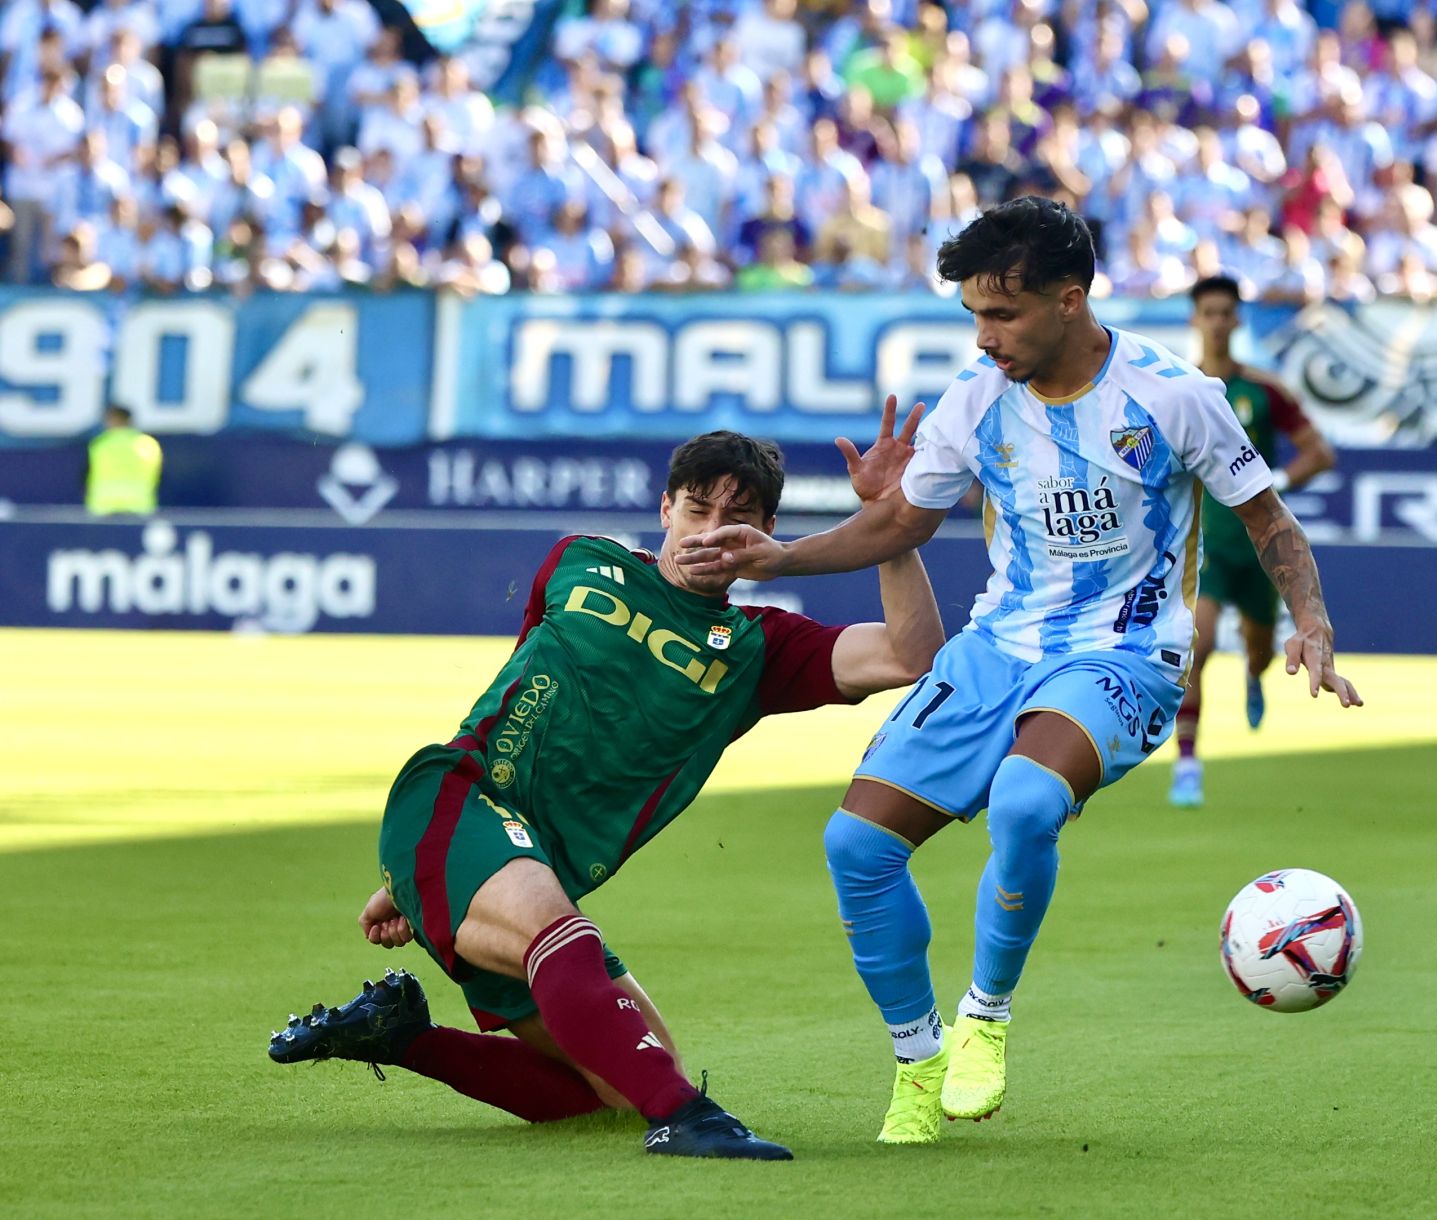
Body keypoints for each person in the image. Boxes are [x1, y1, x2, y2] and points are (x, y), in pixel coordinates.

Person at [677, 198, 1362, 1145]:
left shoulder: (1175, 397)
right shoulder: (974, 399)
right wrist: (777, 557)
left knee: (1027, 802)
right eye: (973, 316)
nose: (984, 336)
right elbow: (900, 525)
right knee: (855, 848)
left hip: (1125, 651)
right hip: (999, 645)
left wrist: (1314, 619)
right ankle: (919, 1064)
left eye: (1002, 315)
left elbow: (1268, 520)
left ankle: (985, 1021)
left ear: (1070, 301)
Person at [268, 424, 943, 1159]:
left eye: (737, 517)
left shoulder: (760, 649)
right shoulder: (581, 559)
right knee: (578, 960)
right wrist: (416, 876)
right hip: (454, 801)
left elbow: (912, 653)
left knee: (618, 1083)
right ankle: (691, 1119)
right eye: (695, 509)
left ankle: (401, 1034)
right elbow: (510, 696)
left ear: (768, 532)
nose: (710, 532)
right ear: (664, 510)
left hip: (521, 868)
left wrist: (891, 528)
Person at [1169, 275, 1338, 808]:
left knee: (1262, 650)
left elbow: (1319, 452)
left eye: (1226, 313)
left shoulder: (1263, 391)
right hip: (1207, 543)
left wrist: (1278, 482)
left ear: (1237, 320)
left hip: (1259, 546)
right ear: (1195, 319)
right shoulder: (1176, 389)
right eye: (1209, 313)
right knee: (1199, 641)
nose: (1218, 322)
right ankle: (1188, 764)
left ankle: (1256, 674)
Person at [85, 404, 162, 516]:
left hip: (103, 507)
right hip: (139, 507)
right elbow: (158, 477)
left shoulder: (99, 445)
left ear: (111, 420)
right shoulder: (148, 445)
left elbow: (85, 475)